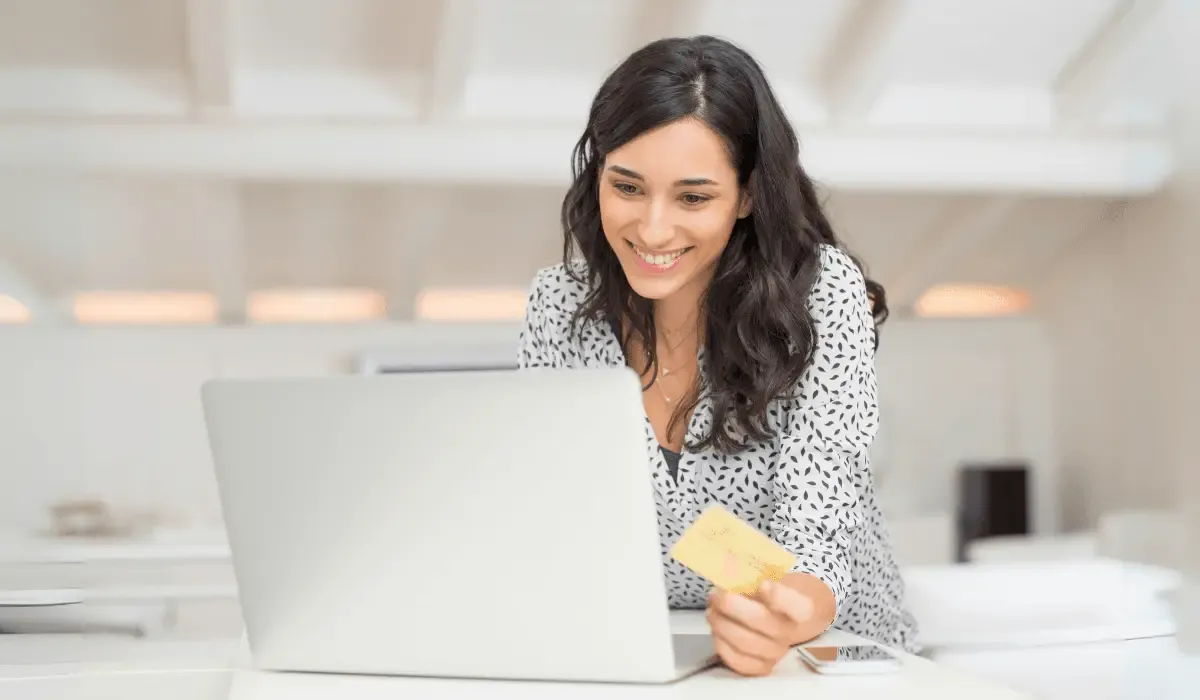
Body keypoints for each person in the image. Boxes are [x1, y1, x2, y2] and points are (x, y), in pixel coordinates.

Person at [517, 35, 919, 676]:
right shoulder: (558, 307)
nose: (651, 229)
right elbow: (553, 512)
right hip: (651, 653)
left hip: (834, 655)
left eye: (694, 197)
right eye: (627, 187)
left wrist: (782, 615)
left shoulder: (820, 296)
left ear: (749, 195)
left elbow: (816, 522)